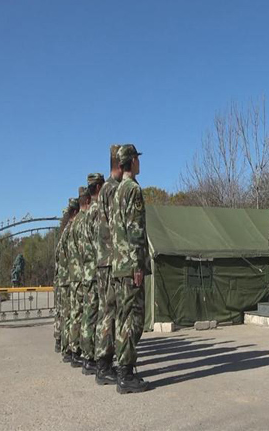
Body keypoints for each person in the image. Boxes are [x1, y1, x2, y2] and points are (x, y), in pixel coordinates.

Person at [111, 144, 150, 394]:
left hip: (118, 265)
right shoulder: (133, 190)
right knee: (133, 319)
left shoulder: (116, 192)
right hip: (129, 266)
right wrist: (137, 264)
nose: (139, 163)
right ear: (132, 161)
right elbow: (135, 230)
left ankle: (123, 370)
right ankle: (125, 374)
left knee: (123, 317)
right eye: (137, 159)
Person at [94, 145, 122, 385]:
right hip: (111, 260)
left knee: (106, 310)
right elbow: (117, 226)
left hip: (103, 260)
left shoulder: (104, 190)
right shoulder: (113, 190)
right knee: (110, 312)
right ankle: (104, 364)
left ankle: (102, 362)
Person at [80, 173, 105, 375]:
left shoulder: (86, 215)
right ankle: (92, 357)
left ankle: (88, 357)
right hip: (95, 271)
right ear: (98, 187)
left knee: (89, 314)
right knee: (95, 315)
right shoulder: (96, 211)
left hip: (87, 271)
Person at [68, 187, 90, 368]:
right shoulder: (82, 222)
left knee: (76, 313)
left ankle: (74, 349)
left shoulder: (73, 225)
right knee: (84, 314)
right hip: (83, 274)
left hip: (74, 274)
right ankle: (81, 351)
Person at [61, 198, 79, 363]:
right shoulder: (73, 229)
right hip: (75, 277)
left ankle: (67, 348)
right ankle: (73, 351)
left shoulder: (66, 231)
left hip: (68, 278)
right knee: (76, 314)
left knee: (69, 313)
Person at [53, 207, 69, 353]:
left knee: (63, 312)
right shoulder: (69, 233)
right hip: (70, 279)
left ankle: (61, 340)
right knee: (70, 313)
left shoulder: (63, 236)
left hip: (62, 279)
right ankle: (69, 346)